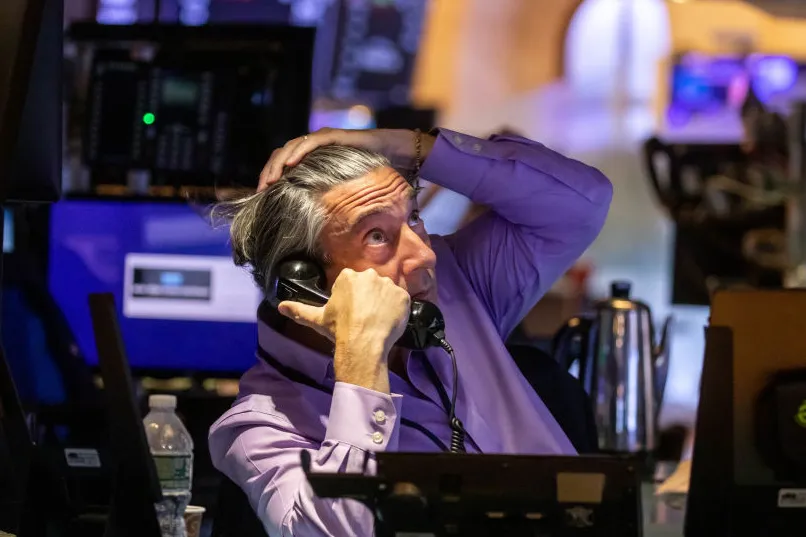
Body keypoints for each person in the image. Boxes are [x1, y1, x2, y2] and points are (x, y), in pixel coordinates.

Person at [208, 127, 613, 536]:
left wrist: (408, 146)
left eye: (414, 217)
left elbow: (582, 204)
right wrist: (363, 359)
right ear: (305, 283)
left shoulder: (457, 281)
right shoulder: (262, 428)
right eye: (378, 236)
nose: (424, 254)